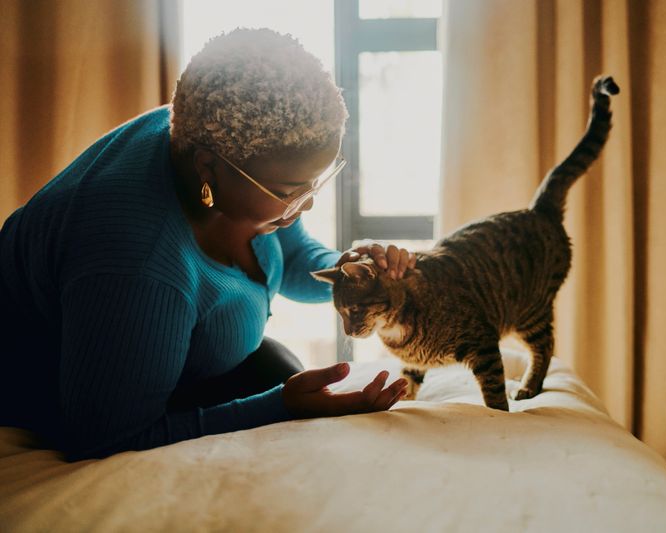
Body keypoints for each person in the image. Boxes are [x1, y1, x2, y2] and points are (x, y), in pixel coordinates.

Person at [0, 28, 415, 461]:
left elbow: (290, 257)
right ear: (208, 169)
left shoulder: (228, 147)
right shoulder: (135, 262)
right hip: (68, 393)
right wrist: (278, 406)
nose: (307, 203)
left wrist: (351, 271)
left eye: (316, 183)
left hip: (181, 363)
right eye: (293, 190)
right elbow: (106, 437)